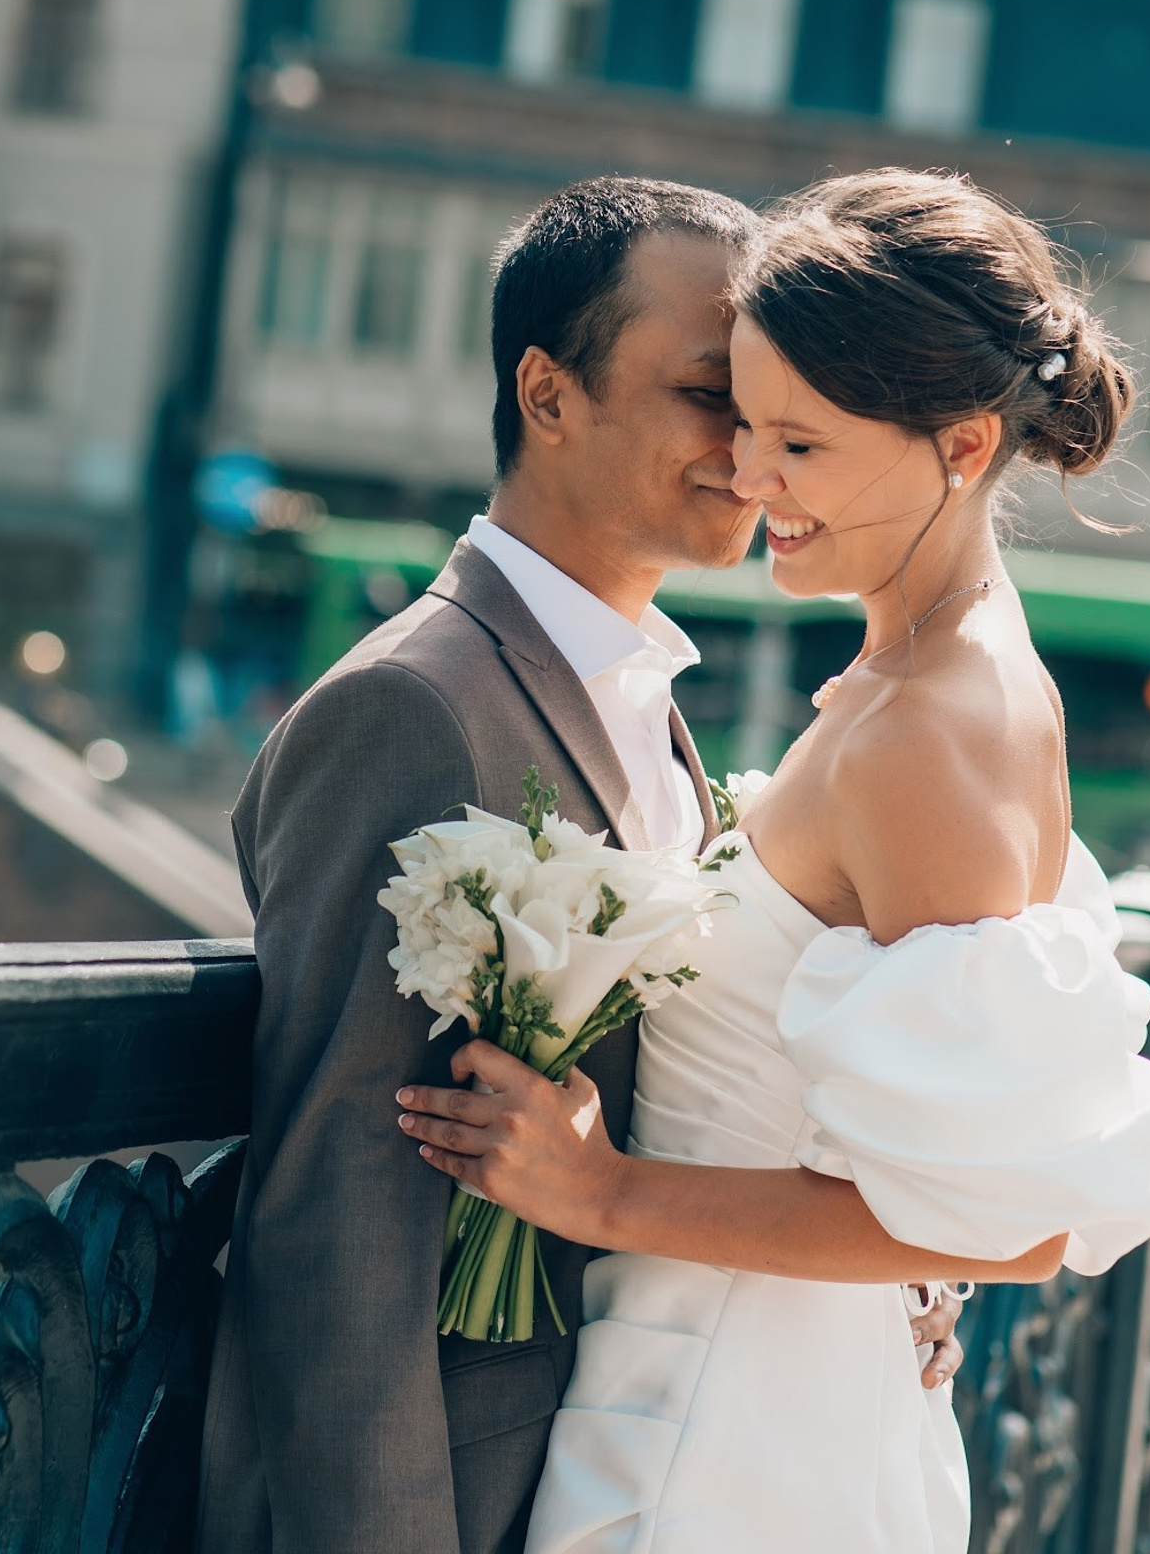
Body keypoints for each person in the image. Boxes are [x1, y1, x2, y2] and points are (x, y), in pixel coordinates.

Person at [396, 170, 1150, 1554]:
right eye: (742, 423)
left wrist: (606, 1194)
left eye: (801, 445)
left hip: (738, 1432)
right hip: (752, 1388)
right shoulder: (940, 678)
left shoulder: (927, 730)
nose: (748, 475)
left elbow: (1003, 1227)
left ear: (961, 446)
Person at [197, 177, 968, 1554]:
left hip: (645, 1448)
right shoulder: (413, 710)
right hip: (471, 1492)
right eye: (704, 394)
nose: (750, 449)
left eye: (764, 405)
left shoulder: (643, 696)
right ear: (547, 395)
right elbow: (330, 1220)